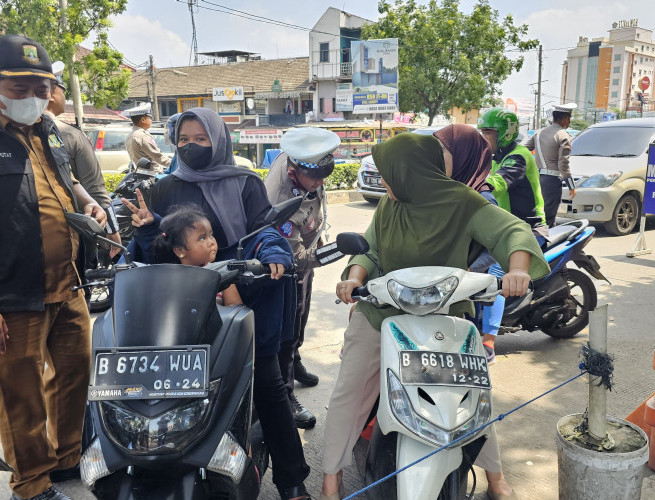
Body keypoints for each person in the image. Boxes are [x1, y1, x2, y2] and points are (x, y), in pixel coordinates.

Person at [320, 133, 550, 500]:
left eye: (389, 174)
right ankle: (330, 480)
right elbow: (370, 251)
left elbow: (511, 230)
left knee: (473, 393)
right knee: (349, 390)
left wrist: (518, 269)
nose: (385, 182)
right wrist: (353, 278)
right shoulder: (389, 205)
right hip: (382, 310)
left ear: (412, 171)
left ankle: (495, 476)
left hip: (445, 311)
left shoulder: (463, 202)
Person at [122, 107, 310, 500]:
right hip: (181, 303)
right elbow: (157, 248)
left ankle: (292, 481)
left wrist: (273, 251)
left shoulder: (245, 182)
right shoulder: (166, 184)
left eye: (200, 139)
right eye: (184, 140)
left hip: (242, 292)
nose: (191, 147)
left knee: (268, 387)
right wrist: (145, 230)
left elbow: (265, 229)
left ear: (219, 140)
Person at [0, 34, 107, 500]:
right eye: (19, 88)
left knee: (75, 371)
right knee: (20, 393)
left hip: (69, 282)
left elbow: (67, 184)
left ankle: (66, 458)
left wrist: (90, 205)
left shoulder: (49, 132)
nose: (33, 98)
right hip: (15, 295)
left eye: (40, 88)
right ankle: (31, 482)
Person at [265, 127, 340, 429]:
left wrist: (318, 237)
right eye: (315, 177)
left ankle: (295, 361)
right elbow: (295, 259)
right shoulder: (280, 199)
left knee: (302, 316)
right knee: (287, 327)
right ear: (294, 170)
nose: (320, 183)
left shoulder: (308, 165)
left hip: (303, 247)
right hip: (284, 266)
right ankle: (286, 393)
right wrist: (330, 253)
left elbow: (315, 199)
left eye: (325, 175)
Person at [433, 124, 507, 363]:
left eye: (443, 151)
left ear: (463, 155)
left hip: (465, 290)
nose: (436, 157)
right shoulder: (446, 192)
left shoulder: (481, 199)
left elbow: (495, 248)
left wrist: (468, 270)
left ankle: (489, 342)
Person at [46, 62, 121, 258]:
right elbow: (95, 189)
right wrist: (113, 230)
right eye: (63, 91)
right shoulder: (71, 135)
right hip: (73, 235)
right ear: (52, 95)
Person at [477, 108, 548, 239]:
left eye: (488, 133)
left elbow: (499, 182)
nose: (483, 138)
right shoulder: (497, 156)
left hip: (528, 228)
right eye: (482, 132)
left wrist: (473, 190)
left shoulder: (519, 157)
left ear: (505, 133)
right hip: (506, 226)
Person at [152, 204, 243, 305]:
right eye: (202, 238)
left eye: (211, 235)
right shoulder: (170, 281)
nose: (211, 242)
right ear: (180, 251)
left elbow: (235, 310)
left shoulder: (224, 274)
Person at [522, 103, 577, 227]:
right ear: (565, 119)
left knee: (538, 215)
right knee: (549, 218)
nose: (568, 122)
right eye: (568, 119)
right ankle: (546, 244)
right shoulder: (563, 136)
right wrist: (571, 185)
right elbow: (563, 164)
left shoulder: (539, 133)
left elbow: (524, 150)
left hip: (535, 180)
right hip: (552, 182)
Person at [124, 102, 171, 172]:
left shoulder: (131, 135)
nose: (151, 120)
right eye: (150, 118)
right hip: (152, 175)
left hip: (141, 173)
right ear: (143, 119)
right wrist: (176, 164)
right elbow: (158, 157)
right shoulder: (142, 136)